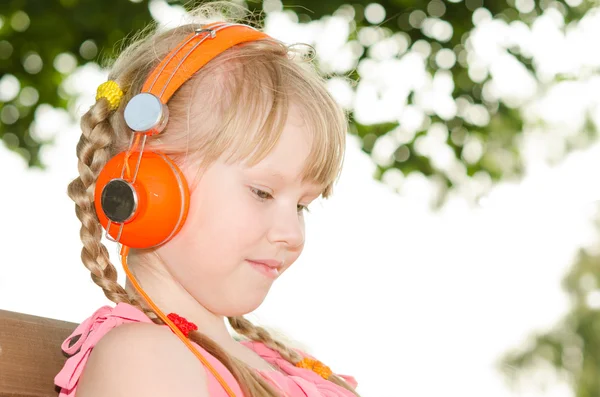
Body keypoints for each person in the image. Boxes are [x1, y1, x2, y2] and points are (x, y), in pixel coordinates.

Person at [54, 2, 358, 396]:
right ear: (146, 184)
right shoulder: (143, 362)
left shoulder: (282, 360)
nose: (293, 234)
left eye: (302, 205)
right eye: (262, 192)